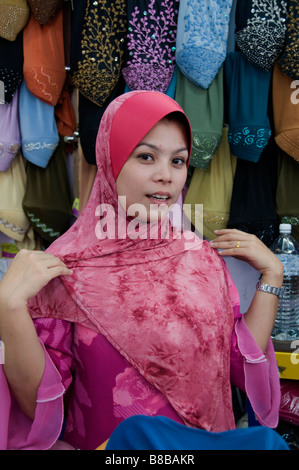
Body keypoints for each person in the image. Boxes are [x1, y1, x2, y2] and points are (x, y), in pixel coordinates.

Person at [0, 91, 284, 450]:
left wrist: (272, 276)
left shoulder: (200, 259)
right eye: (146, 157)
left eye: (178, 161)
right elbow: (40, 406)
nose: (166, 176)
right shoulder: (65, 269)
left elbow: (237, 364)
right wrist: (9, 308)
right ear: (110, 159)